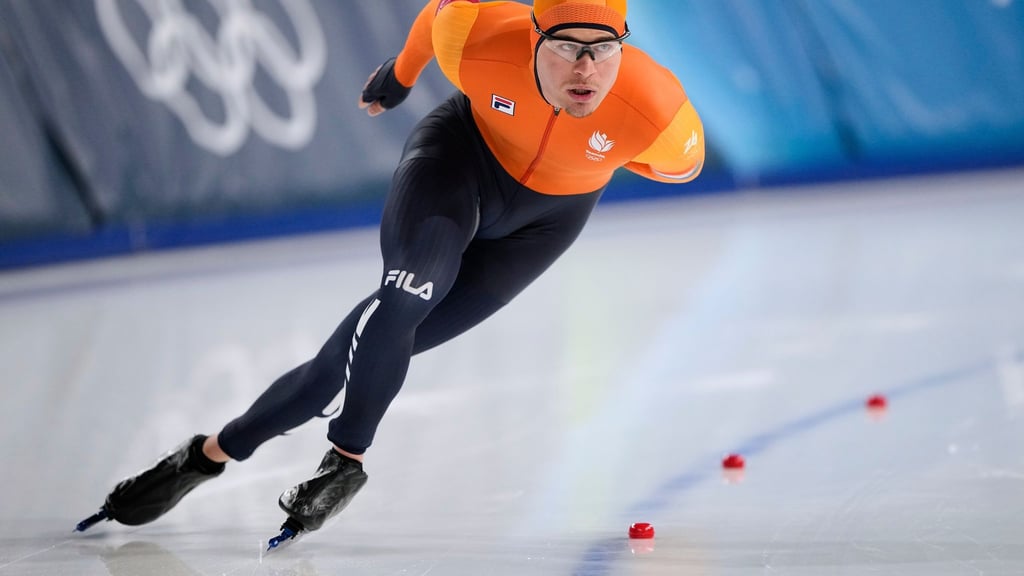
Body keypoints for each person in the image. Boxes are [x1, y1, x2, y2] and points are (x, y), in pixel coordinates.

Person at [76, 0, 705, 545]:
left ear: (626, 48)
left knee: (340, 361)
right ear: (534, 38)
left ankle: (206, 455)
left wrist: (595, 165)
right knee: (404, 298)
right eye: (567, 48)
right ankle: (346, 460)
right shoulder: (482, 38)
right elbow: (436, 22)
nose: (585, 69)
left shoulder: (657, 110)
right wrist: (399, 77)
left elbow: (681, 168)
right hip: (457, 165)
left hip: (543, 225)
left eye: (603, 51)